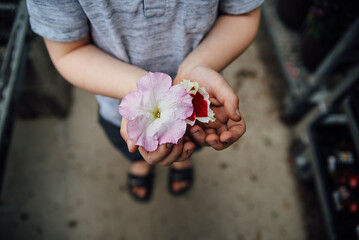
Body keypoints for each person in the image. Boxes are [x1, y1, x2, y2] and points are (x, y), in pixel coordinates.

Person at [26, 0, 263, 201]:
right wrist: (139, 88)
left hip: (200, 100)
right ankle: (138, 162)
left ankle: (181, 161)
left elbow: (243, 13)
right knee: (130, 146)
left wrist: (200, 65)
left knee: (195, 141)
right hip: (117, 103)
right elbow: (68, 51)